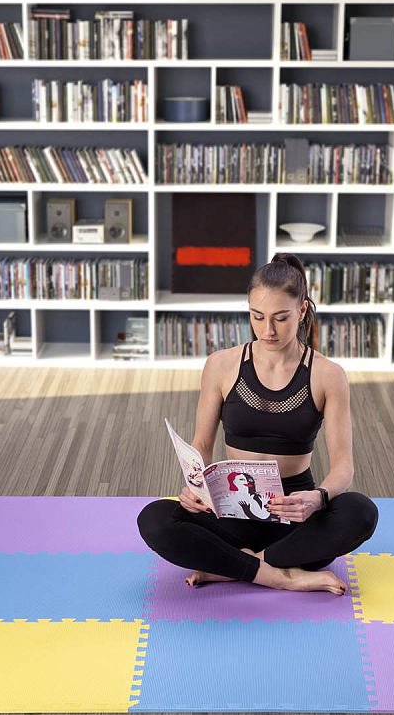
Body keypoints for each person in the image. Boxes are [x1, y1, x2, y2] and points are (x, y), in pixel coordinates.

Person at [137, 252, 379, 595]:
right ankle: (281, 575)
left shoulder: (328, 375)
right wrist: (195, 487)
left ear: (302, 310)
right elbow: (202, 444)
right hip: (230, 513)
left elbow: (343, 465)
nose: (268, 330)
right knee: (155, 519)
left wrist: (316, 499)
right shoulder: (221, 365)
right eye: (257, 316)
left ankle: (234, 566)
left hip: (294, 520)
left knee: (361, 512)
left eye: (281, 318)